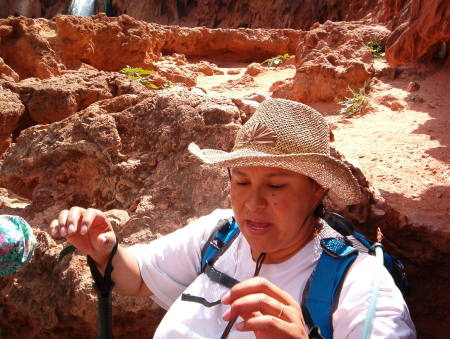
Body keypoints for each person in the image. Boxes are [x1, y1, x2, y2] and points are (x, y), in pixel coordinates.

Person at [49, 98, 416, 338]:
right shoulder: (219, 234)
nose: (252, 203)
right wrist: (105, 251)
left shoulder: (359, 284)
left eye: (275, 185)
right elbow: (140, 278)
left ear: (317, 190)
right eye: (241, 181)